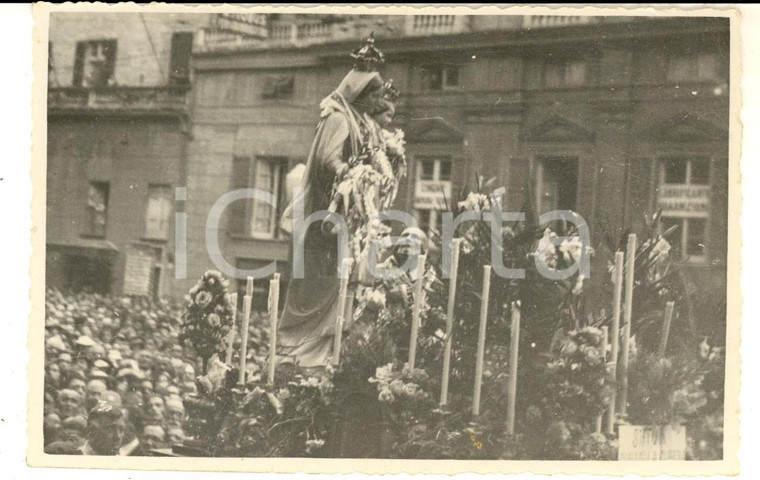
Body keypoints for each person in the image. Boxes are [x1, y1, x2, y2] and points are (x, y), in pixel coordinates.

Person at [277, 37, 386, 370]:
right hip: (329, 211)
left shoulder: (364, 122)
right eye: (374, 94)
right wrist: (351, 173)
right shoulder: (339, 118)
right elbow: (328, 159)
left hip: (350, 219)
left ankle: (331, 346)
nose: (378, 100)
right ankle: (306, 347)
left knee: (345, 280)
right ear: (360, 93)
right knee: (321, 280)